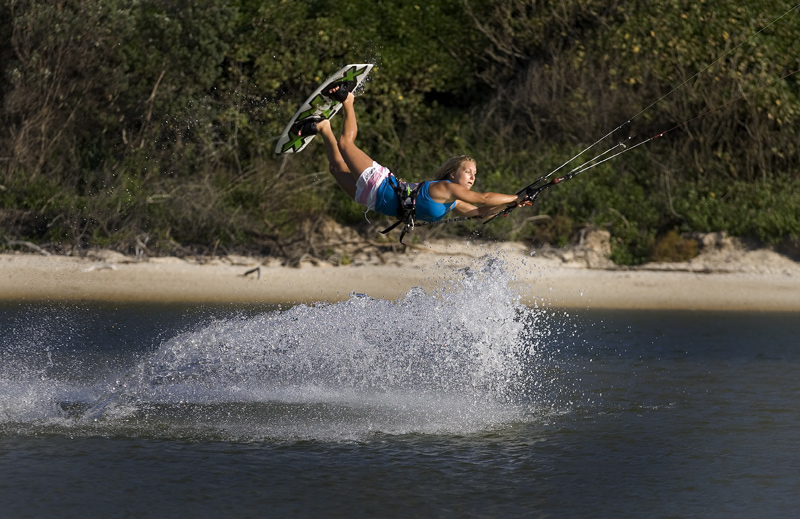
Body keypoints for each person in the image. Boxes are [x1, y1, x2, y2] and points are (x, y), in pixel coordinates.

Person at [292, 83, 529, 225]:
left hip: (372, 200)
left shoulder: (452, 201)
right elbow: (484, 198)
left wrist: (511, 205)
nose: (472, 177)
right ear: (453, 173)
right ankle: (348, 100)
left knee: (335, 168)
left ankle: (323, 128)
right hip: (380, 184)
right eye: (467, 171)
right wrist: (514, 197)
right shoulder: (446, 188)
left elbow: (480, 212)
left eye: (474, 174)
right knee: (345, 144)